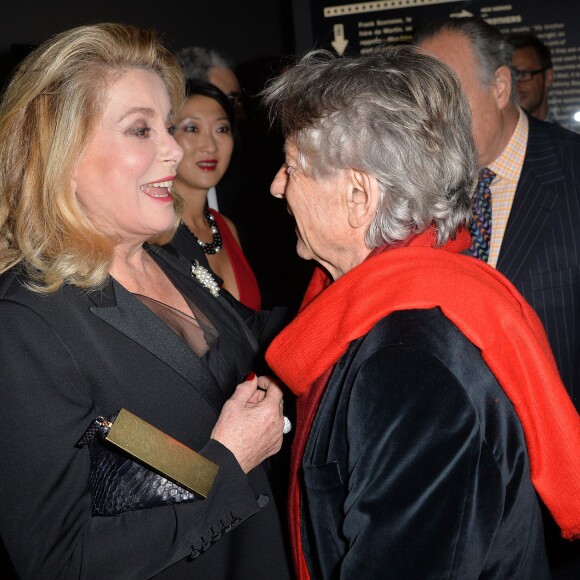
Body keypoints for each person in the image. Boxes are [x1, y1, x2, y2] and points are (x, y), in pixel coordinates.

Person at [262, 46, 580, 579]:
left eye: (291, 168)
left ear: (359, 196)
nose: (276, 186)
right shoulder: (394, 302)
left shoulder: (410, 367)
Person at [0, 23, 291, 579]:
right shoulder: (26, 323)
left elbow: (254, 337)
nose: (174, 148)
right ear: (63, 153)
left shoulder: (167, 253)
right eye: (142, 130)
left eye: (167, 126)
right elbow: (62, 560)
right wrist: (227, 464)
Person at [415, 18, 580, 577]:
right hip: (455, 493)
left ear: (502, 86)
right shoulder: (418, 193)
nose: (432, 120)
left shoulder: (575, 173)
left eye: (447, 96)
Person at [169, 79, 261, 310]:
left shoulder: (225, 227)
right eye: (192, 128)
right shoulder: (154, 234)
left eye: (221, 129)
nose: (210, 146)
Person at [507, 33, 555, 122]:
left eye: (523, 74)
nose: (514, 86)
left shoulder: (568, 136)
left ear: (548, 77)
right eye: (508, 77)